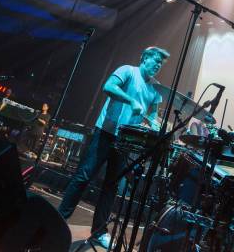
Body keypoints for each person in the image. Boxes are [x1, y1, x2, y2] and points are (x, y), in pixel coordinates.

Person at [58, 46, 169, 248]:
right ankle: (59, 220)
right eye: (156, 61)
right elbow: (108, 87)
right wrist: (131, 100)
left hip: (126, 142)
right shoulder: (127, 70)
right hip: (106, 134)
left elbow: (152, 115)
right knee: (84, 177)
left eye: (161, 64)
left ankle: (99, 232)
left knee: (110, 187)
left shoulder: (156, 88)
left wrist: (154, 123)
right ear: (144, 58)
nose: (158, 66)